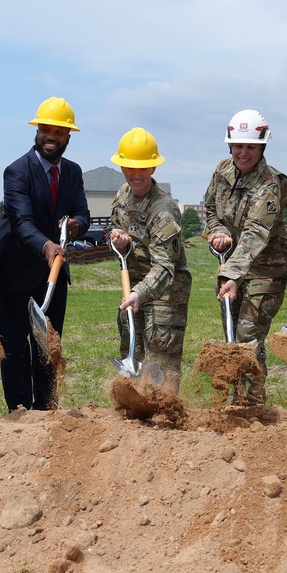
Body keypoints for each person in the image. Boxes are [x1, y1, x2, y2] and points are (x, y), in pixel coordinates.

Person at [0, 97, 90, 411]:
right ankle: (19, 411)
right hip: (14, 272)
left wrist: (76, 227)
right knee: (16, 344)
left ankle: (46, 407)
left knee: (48, 343)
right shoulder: (17, 172)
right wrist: (47, 245)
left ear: (67, 137)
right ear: (37, 131)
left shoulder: (73, 173)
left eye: (59, 132)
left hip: (53, 275)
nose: (52, 136)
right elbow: (21, 223)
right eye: (46, 129)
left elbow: (83, 215)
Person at [203, 110, 287, 405]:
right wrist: (217, 231)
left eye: (250, 147)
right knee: (232, 334)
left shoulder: (271, 183)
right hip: (231, 266)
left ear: (262, 147)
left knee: (247, 336)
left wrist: (230, 275)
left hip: (266, 270)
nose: (243, 152)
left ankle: (251, 405)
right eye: (238, 145)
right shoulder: (222, 171)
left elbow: (255, 233)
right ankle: (238, 399)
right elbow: (211, 210)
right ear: (229, 145)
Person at [108, 128, 191, 391]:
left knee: (159, 359)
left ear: (153, 167)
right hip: (134, 285)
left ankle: (165, 415)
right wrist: (120, 241)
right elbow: (122, 239)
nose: (135, 173)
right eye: (129, 166)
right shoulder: (122, 195)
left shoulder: (163, 210)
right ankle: (134, 414)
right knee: (131, 346)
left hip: (167, 289)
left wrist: (139, 293)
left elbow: (166, 266)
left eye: (142, 166)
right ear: (121, 165)